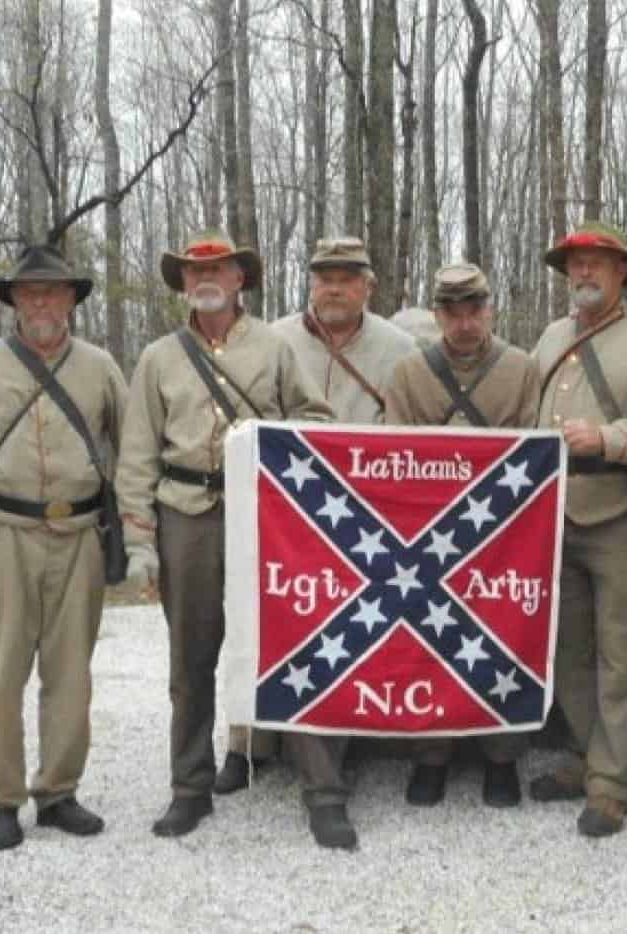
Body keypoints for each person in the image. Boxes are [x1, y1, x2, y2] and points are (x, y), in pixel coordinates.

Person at [114, 230, 333, 842]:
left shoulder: (276, 347)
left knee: (293, 643)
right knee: (190, 657)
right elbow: (137, 454)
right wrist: (140, 535)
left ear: (241, 279)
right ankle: (191, 786)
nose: (204, 278)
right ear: (183, 282)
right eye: (192, 271)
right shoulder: (159, 357)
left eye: (218, 269)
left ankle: (321, 788)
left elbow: (315, 421)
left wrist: (263, 440)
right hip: (185, 511)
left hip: (262, 513)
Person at [0, 244, 128, 851]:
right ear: (14, 301)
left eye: (53, 291)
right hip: (6, 535)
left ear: (70, 300)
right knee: (3, 673)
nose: (41, 301)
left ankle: (59, 791)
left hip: (82, 537)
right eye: (29, 292)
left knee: (71, 674)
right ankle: (1, 798)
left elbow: (133, 445)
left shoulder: (100, 367)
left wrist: (138, 531)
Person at [213, 234, 417, 848]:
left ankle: (338, 757)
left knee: (346, 638)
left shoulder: (400, 349)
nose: (334, 287)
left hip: (366, 519)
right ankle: (244, 743)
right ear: (309, 281)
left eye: (347, 277)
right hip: (284, 515)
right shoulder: (275, 340)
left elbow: (409, 433)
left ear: (368, 286)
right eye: (324, 275)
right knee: (253, 626)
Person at [528, 221, 627, 837]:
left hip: (618, 511)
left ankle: (614, 782)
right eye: (575, 264)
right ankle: (587, 757)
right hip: (554, 515)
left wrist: (609, 439)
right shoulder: (549, 339)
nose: (584, 273)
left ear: (622, 272)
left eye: (597, 263)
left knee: (621, 654)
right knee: (569, 652)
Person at [381, 262, 541, 807]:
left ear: (490, 310)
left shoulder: (521, 369)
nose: (466, 322)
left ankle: (502, 757)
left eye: (475, 310)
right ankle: (432, 756)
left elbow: (535, 451)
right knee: (430, 639)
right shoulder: (408, 374)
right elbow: (396, 458)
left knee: (502, 638)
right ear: (438, 315)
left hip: (504, 533)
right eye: (453, 312)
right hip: (429, 535)